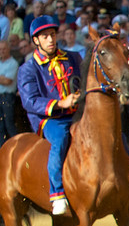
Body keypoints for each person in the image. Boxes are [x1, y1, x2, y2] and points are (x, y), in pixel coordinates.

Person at [17, 15, 80, 215]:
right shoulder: (27, 69)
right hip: (50, 119)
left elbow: (84, 82)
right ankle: (58, 193)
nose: (51, 39)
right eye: (45, 36)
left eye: (52, 34)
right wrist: (60, 103)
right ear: (36, 40)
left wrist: (81, 93)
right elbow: (30, 101)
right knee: (60, 139)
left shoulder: (73, 57)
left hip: (78, 112)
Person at [0, 39, 19, 144]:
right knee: (0, 126)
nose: (2, 51)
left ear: (8, 49)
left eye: (4, 49)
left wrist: (3, 79)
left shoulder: (13, 63)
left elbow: (7, 81)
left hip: (8, 97)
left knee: (9, 124)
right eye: (0, 49)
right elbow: (3, 79)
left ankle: (16, 147)